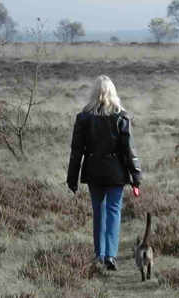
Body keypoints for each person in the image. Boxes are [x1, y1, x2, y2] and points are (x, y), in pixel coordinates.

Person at [67, 75, 142, 271]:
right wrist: (136, 178)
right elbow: (129, 150)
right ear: (112, 93)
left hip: (93, 171)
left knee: (98, 212)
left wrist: (72, 178)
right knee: (113, 212)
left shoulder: (83, 118)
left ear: (94, 93)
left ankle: (99, 255)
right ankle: (111, 255)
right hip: (116, 172)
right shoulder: (122, 117)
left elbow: (76, 151)